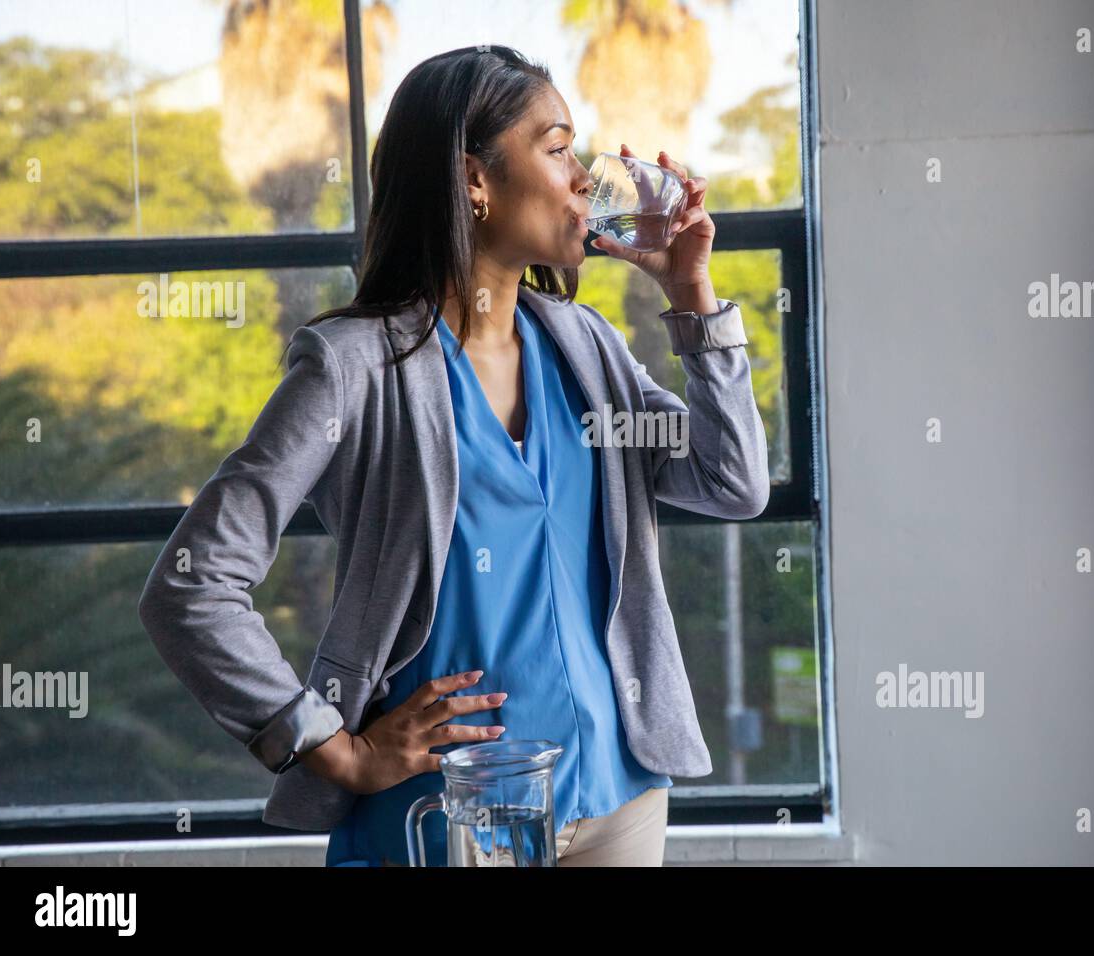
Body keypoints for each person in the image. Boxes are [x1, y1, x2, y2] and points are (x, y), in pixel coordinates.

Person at [138, 45, 769, 868]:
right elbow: (191, 586)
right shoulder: (354, 368)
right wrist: (331, 746)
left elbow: (732, 481)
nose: (584, 177)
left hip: (619, 802)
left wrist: (692, 299)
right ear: (475, 181)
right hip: (447, 817)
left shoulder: (583, 346)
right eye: (557, 147)